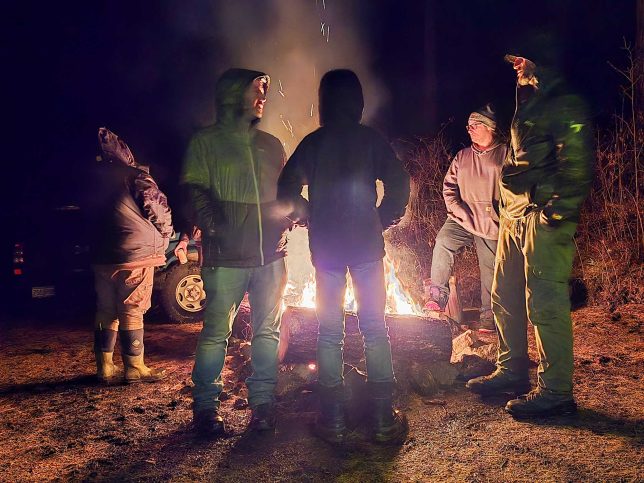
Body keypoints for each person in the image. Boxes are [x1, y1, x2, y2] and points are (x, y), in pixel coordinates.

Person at [278, 69, 410, 445]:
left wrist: (307, 214)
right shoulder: (370, 139)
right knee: (374, 328)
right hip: (367, 248)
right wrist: (382, 217)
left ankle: (332, 418)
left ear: (324, 101)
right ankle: (383, 418)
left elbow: (285, 187)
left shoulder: (314, 142)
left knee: (330, 332)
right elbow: (399, 182)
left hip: (328, 251)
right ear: (357, 100)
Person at [466, 54, 593, 418]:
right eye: (512, 59)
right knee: (504, 294)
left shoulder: (563, 101)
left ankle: (556, 392)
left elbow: (578, 165)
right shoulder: (529, 100)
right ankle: (511, 372)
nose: (515, 64)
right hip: (514, 216)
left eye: (522, 58)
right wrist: (508, 209)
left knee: (545, 301)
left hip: (542, 218)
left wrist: (553, 212)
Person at [181, 68, 290, 437]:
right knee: (216, 332)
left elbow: (288, 193)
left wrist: (293, 214)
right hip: (225, 258)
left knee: (267, 332)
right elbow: (195, 193)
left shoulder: (272, 144)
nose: (262, 98)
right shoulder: (205, 142)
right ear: (232, 95)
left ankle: (262, 406)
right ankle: (205, 409)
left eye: (264, 91)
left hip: (271, 257)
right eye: (256, 91)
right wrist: (219, 230)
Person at [90, 127, 173, 384]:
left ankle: (105, 367)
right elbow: (157, 208)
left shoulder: (94, 180)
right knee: (132, 308)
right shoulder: (135, 176)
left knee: (105, 310)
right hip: (134, 254)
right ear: (125, 153)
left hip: (102, 255)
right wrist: (166, 233)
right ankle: (134, 367)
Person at [425, 105, 508, 330]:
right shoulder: (463, 156)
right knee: (443, 242)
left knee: (490, 269)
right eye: (468, 126)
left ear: (490, 128)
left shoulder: (505, 154)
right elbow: (449, 187)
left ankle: (489, 318)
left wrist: (504, 215)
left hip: (491, 222)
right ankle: (436, 298)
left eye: (475, 125)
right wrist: (457, 209)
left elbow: (516, 190)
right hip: (463, 217)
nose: (469, 129)